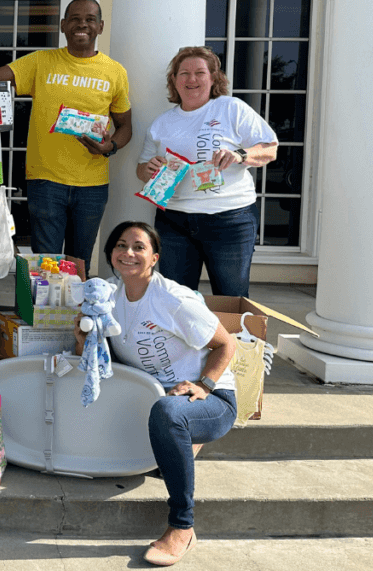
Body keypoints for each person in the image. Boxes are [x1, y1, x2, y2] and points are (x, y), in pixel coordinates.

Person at [0, 0, 132, 271]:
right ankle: (41, 315)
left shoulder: (114, 72)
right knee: (44, 265)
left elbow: (126, 125)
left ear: (100, 27)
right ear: (62, 25)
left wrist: (111, 147)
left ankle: (77, 314)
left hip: (92, 185)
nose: (82, 24)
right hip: (46, 180)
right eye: (75, 19)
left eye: (90, 19)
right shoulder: (41, 62)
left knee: (78, 261)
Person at [74, 221, 237, 566]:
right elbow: (106, 361)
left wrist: (205, 385)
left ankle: (182, 526)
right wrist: (82, 339)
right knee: (160, 413)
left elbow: (227, 343)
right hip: (155, 398)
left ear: (154, 257)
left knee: (168, 412)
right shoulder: (110, 300)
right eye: (120, 245)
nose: (128, 253)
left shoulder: (172, 299)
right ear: (110, 255)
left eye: (138, 247)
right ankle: (180, 443)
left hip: (210, 400)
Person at [136, 47, 278, 297]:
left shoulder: (231, 108)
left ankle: (231, 338)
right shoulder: (161, 123)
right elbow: (142, 169)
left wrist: (240, 155)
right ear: (174, 80)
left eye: (200, 73)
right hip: (174, 221)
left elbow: (270, 148)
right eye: (184, 73)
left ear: (213, 78)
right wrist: (149, 169)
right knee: (176, 299)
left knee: (231, 298)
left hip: (229, 220)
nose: (191, 79)